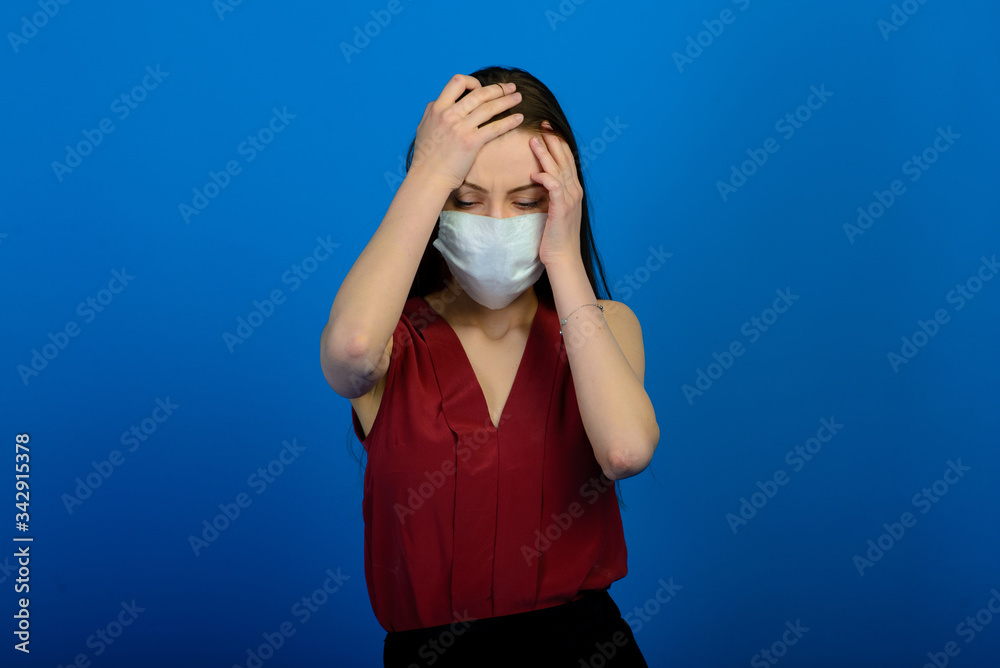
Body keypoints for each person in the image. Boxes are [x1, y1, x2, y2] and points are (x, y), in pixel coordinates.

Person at [320, 65, 659, 667]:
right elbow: (349, 352)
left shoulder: (605, 326)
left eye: (526, 202)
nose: (497, 225)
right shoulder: (393, 344)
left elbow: (625, 451)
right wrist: (430, 170)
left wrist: (563, 256)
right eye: (466, 199)